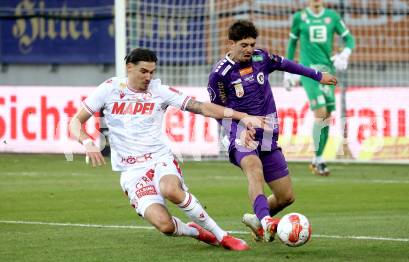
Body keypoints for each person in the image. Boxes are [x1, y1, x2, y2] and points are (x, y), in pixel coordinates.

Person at [68, 48, 267, 251]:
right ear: (129, 68)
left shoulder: (159, 90)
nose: (149, 77)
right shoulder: (109, 88)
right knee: (165, 226)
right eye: (144, 71)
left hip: (159, 159)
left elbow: (201, 107)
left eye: (152, 72)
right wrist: (87, 142)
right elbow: (74, 122)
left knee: (170, 189)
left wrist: (241, 115)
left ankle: (222, 236)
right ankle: (195, 231)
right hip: (131, 172)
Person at [207, 20, 337, 242]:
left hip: (268, 137)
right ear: (231, 43)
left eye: (252, 44)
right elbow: (218, 112)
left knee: (286, 197)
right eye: (244, 45)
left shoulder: (261, 58)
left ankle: (257, 220)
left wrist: (317, 75)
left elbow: (287, 64)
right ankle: (267, 222)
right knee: (254, 168)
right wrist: (238, 131)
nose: (249, 49)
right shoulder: (220, 74)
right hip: (240, 137)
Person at [284, 0, 355, 176]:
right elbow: (292, 44)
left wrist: (344, 55)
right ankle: (319, 159)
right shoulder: (299, 18)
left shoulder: (332, 17)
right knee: (321, 112)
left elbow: (349, 39)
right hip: (308, 71)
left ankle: (318, 158)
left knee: (327, 115)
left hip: (327, 71)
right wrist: (288, 71)